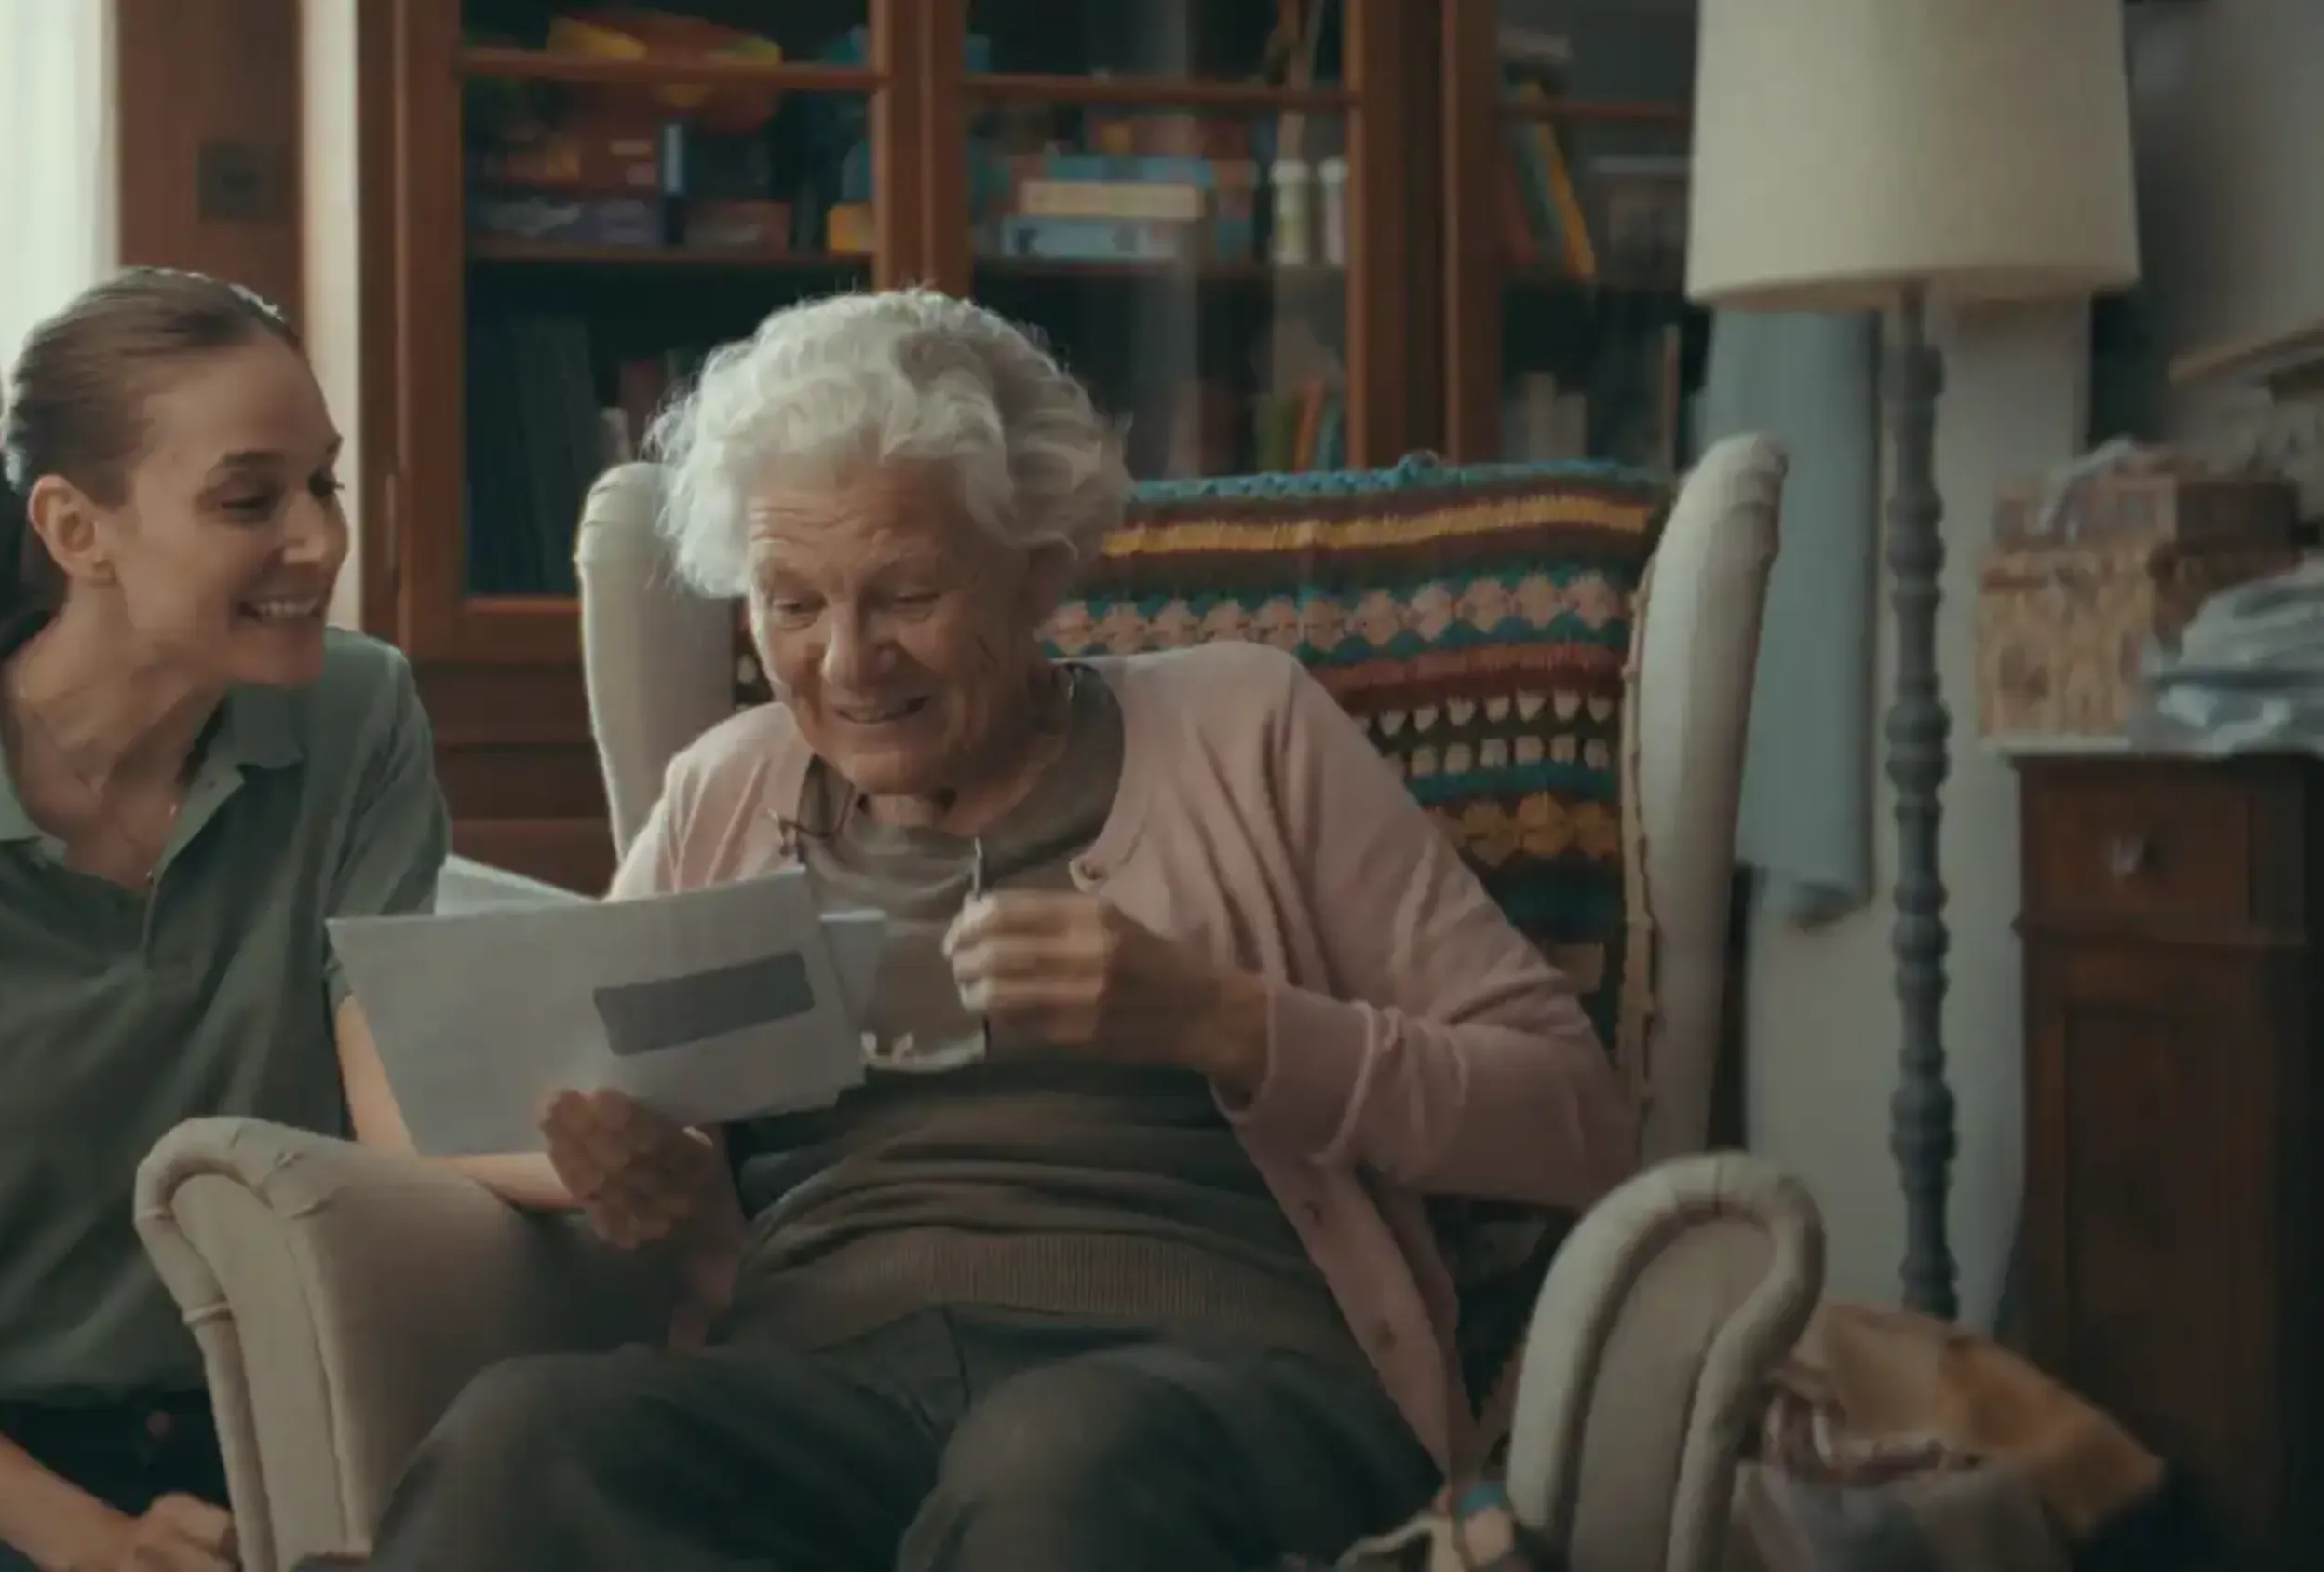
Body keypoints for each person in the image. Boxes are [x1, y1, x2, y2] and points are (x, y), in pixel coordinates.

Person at [363, 289, 1638, 1572]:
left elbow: (1575, 1120)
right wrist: (629, 1165)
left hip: (1209, 1383)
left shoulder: (1247, 729)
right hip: (825, 1393)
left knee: (1052, 1461)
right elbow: (579, 1096)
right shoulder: (725, 788)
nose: (849, 663)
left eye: (904, 593)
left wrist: (1221, 1020)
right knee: (525, 1438)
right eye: (791, 604)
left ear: (1038, 569)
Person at [0, 268, 453, 1572]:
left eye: (323, 484)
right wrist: (88, 1542)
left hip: (301, 1432)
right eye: (248, 499)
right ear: (74, 528)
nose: (320, 541)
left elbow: (401, 1117)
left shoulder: (360, 719)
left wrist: (592, 1168)